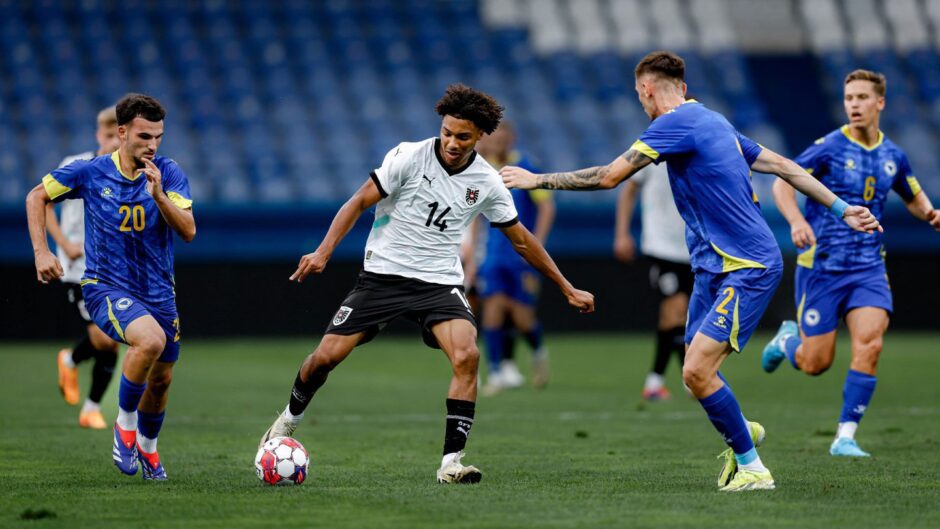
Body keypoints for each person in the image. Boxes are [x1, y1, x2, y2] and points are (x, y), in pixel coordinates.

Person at [501, 51, 881, 492]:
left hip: (748, 266)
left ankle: (754, 468)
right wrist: (841, 207)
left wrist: (536, 179)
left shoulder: (671, 124)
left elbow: (608, 177)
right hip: (712, 269)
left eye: (640, 95)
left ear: (646, 90)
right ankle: (742, 429)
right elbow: (782, 165)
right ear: (682, 85)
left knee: (698, 371)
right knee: (692, 376)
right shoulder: (715, 121)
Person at [258, 84, 594, 485]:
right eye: (447, 132)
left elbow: (521, 239)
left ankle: (451, 462)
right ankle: (287, 420)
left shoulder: (486, 181)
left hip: (438, 283)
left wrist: (566, 286)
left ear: (479, 137)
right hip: (383, 275)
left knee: (467, 355)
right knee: (325, 358)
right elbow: (358, 201)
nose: (452, 142)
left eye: (462, 137)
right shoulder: (409, 156)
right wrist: (323, 251)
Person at [761, 69, 940, 457]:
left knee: (870, 345)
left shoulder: (893, 155)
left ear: (880, 103)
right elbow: (780, 181)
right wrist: (795, 221)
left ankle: (845, 435)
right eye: (849, 98)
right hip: (822, 267)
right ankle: (787, 340)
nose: (854, 105)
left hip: (868, 268)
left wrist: (930, 213)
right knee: (815, 363)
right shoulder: (827, 148)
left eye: (861, 97)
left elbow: (911, 192)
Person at [26, 93, 196, 481]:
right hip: (105, 287)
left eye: (158, 136)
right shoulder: (89, 172)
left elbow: (188, 231)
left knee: (163, 377)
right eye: (143, 136)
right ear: (121, 133)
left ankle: (149, 451)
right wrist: (41, 252)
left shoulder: (168, 173)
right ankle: (124, 426)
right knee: (149, 342)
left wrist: (159, 197)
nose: (152, 145)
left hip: (159, 293)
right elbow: (36, 196)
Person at [48, 105, 122, 429]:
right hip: (78, 269)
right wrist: (62, 244)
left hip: (113, 269)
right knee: (106, 339)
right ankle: (70, 360)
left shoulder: (127, 172)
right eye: (108, 136)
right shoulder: (76, 166)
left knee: (113, 338)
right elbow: (45, 202)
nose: (113, 143)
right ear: (98, 135)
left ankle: (90, 406)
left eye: (118, 136)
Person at [472, 122, 555, 394]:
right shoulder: (483, 169)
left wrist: (538, 244)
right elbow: (475, 215)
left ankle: (538, 352)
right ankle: (495, 372)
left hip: (521, 253)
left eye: (503, 137)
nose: (499, 142)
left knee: (522, 317)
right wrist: (473, 254)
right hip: (494, 253)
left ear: (512, 139)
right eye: (494, 137)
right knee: (493, 308)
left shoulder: (526, 166)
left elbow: (546, 207)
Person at [613, 160, 691, 401]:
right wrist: (622, 234)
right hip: (661, 247)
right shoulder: (651, 151)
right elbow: (628, 191)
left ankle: (678, 378)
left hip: (692, 248)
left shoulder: (694, 150)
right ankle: (668, 380)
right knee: (675, 309)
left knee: (679, 316)